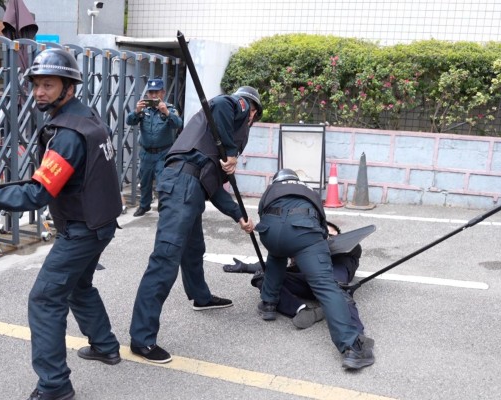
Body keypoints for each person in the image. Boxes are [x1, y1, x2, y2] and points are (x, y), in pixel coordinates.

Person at [0, 48, 123, 400]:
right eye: (36, 85)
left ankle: (55, 385)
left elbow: (36, 194)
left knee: (44, 299)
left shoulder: (68, 134)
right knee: (78, 286)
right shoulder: (87, 117)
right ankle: (105, 345)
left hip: (83, 228)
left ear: (69, 88)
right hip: (100, 221)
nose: (39, 92)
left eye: (48, 85)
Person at [129, 86, 262, 363]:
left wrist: (239, 215)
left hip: (192, 186)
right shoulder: (236, 106)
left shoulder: (213, 141)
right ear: (251, 110)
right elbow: (222, 104)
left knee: (193, 250)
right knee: (165, 259)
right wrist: (230, 151)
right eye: (252, 113)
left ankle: (201, 297)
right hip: (182, 183)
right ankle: (141, 339)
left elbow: (213, 187)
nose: (250, 118)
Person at [253, 168, 374, 370]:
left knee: (276, 256)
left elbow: (262, 215)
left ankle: (268, 305)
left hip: (269, 232)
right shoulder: (308, 191)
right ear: (295, 179)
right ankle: (352, 347)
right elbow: (321, 225)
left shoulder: (270, 190)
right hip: (303, 233)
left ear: (277, 180)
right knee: (325, 285)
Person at [224, 222, 365, 331]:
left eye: (327, 231)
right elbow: (274, 265)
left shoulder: (349, 250)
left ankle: (356, 339)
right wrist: (246, 267)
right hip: (306, 282)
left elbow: (353, 247)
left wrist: (321, 243)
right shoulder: (304, 250)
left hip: (332, 284)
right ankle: (302, 310)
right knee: (264, 277)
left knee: (340, 294)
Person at [126, 78, 183, 216]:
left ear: (162, 93)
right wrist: (136, 111)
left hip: (163, 153)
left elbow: (178, 124)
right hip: (146, 153)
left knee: (163, 182)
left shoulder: (169, 109)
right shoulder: (143, 109)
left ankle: (163, 207)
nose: (153, 96)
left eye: (156, 92)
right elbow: (129, 121)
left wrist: (166, 112)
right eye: (151, 92)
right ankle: (144, 206)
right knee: (145, 182)